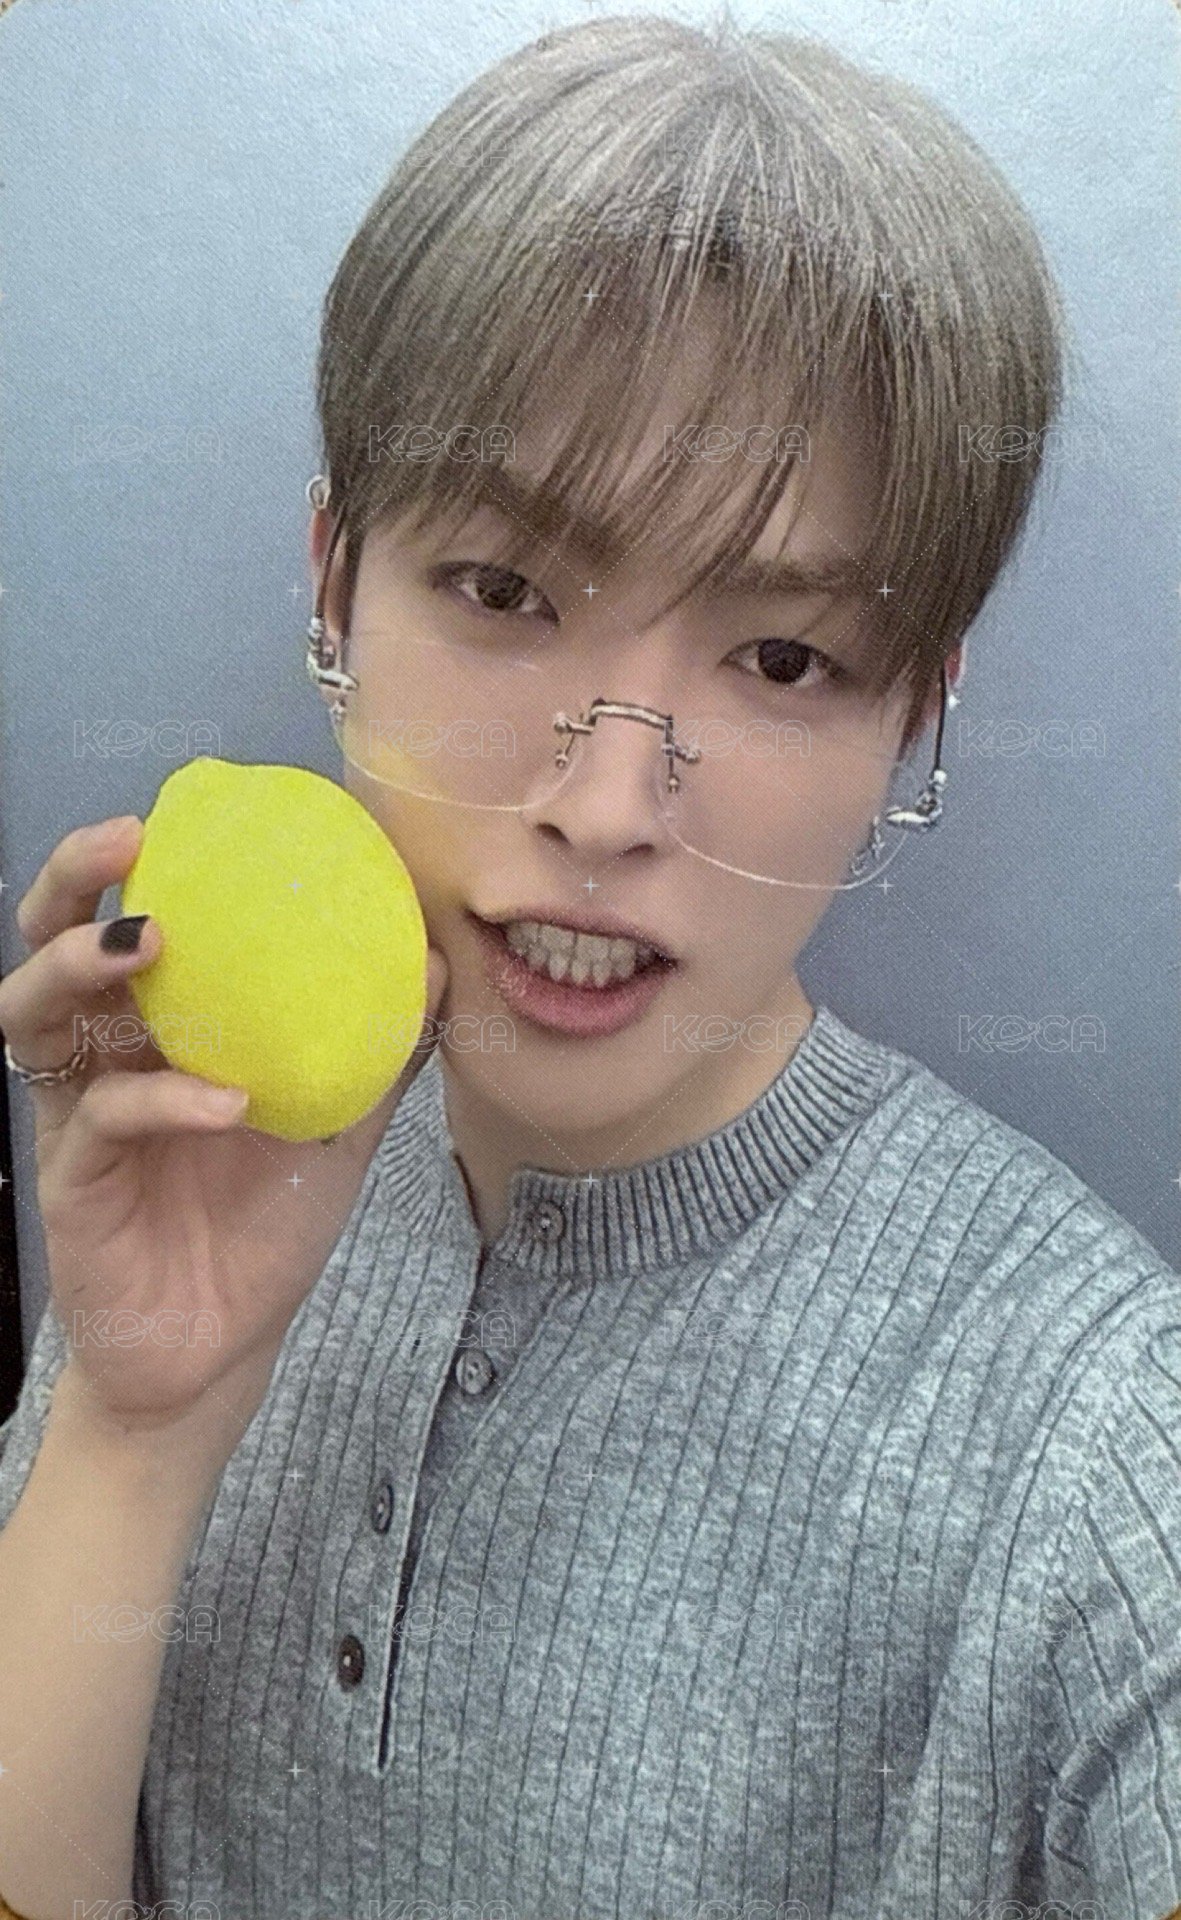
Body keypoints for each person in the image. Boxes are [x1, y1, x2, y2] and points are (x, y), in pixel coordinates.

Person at [1, 13, 1178, 1919]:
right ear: (333, 583)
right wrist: (129, 1439)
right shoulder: (193, 1143)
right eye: (502, 591)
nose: (610, 804)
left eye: (783, 658)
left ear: (914, 716)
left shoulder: (1093, 1440)